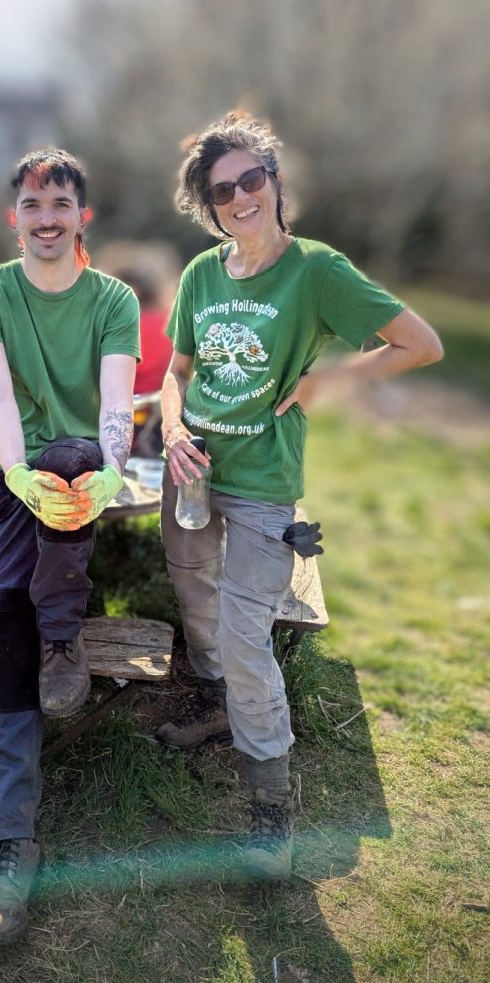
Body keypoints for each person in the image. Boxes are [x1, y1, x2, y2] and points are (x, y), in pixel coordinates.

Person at [157, 110, 443, 881]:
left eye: (253, 178)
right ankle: (218, 698)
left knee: (248, 634)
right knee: (194, 595)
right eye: (223, 190)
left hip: (262, 489)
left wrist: (331, 378)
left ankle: (268, 809)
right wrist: (171, 427)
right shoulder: (201, 274)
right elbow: (174, 373)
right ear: (209, 205)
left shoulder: (316, 269)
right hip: (191, 473)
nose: (240, 196)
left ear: (276, 183)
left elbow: (421, 343)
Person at [0, 149, 140, 946]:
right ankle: (10, 844)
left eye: (59, 203)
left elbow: (112, 400)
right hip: (12, 474)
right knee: (5, 625)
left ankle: (65, 634)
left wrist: (111, 467)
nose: (46, 218)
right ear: (15, 217)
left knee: (75, 456)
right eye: (32, 205)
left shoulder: (114, 298)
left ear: (81, 215)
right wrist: (17, 472)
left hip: (77, 473)